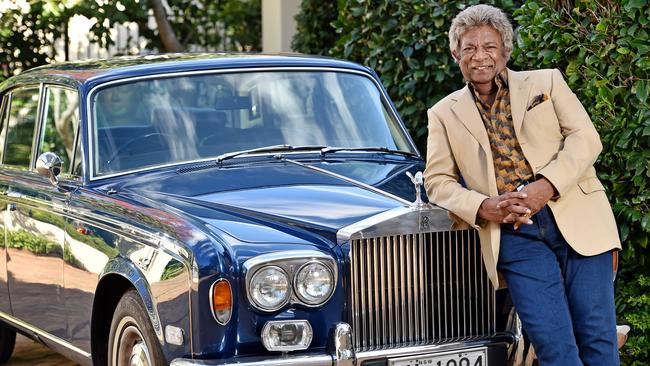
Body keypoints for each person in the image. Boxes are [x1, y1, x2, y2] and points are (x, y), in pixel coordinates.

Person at [423, 4, 621, 365]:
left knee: (598, 341)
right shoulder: (443, 113)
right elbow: (437, 182)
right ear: (456, 53)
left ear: (505, 50)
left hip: (580, 220)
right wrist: (484, 206)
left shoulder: (546, 82)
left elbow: (586, 138)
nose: (479, 56)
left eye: (489, 46)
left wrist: (546, 186)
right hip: (515, 236)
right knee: (554, 349)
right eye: (469, 48)